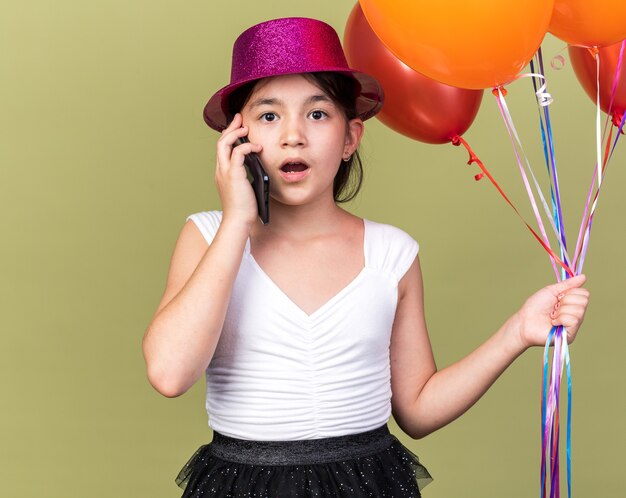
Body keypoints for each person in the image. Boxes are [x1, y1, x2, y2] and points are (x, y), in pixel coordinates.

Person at [141, 17, 590, 498]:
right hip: (241, 483)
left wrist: (517, 332)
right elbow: (169, 373)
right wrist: (236, 221)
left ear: (350, 137)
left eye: (317, 114)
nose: (293, 135)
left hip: (367, 483)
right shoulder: (207, 235)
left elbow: (417, 409)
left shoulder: (391, 253)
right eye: (269, 116)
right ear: (238, 137)